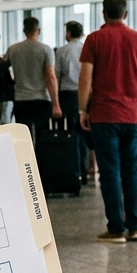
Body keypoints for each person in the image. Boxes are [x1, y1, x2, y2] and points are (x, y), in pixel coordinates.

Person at [80, 0, 137, 244]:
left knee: (110, 172)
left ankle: (116, 229)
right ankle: (136, 226)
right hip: (132, 116)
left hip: (104, 115)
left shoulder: (94, 40)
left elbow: (85, 79)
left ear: (103, 14)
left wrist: (83, 109)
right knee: (131, 171)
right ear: (126, 14)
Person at [6, 16, 62, 134]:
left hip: (21, 99)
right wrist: (56, 103)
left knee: (24, 137)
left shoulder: (13, 49)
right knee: (42, 136)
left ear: (24, 31)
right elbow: (50, 76)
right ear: (39, 31)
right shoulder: (46, 50)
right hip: (41, 100)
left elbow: (3, 69)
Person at [55, 20, 90, 183]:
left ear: (68, 32)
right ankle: (84, 170)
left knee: (70, 134)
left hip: (67, 95)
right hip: (86, 94)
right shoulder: (87, 49)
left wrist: (54, 100)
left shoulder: (62, 51)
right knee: (83, 133)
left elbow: (57, 75)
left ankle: (73, 171)